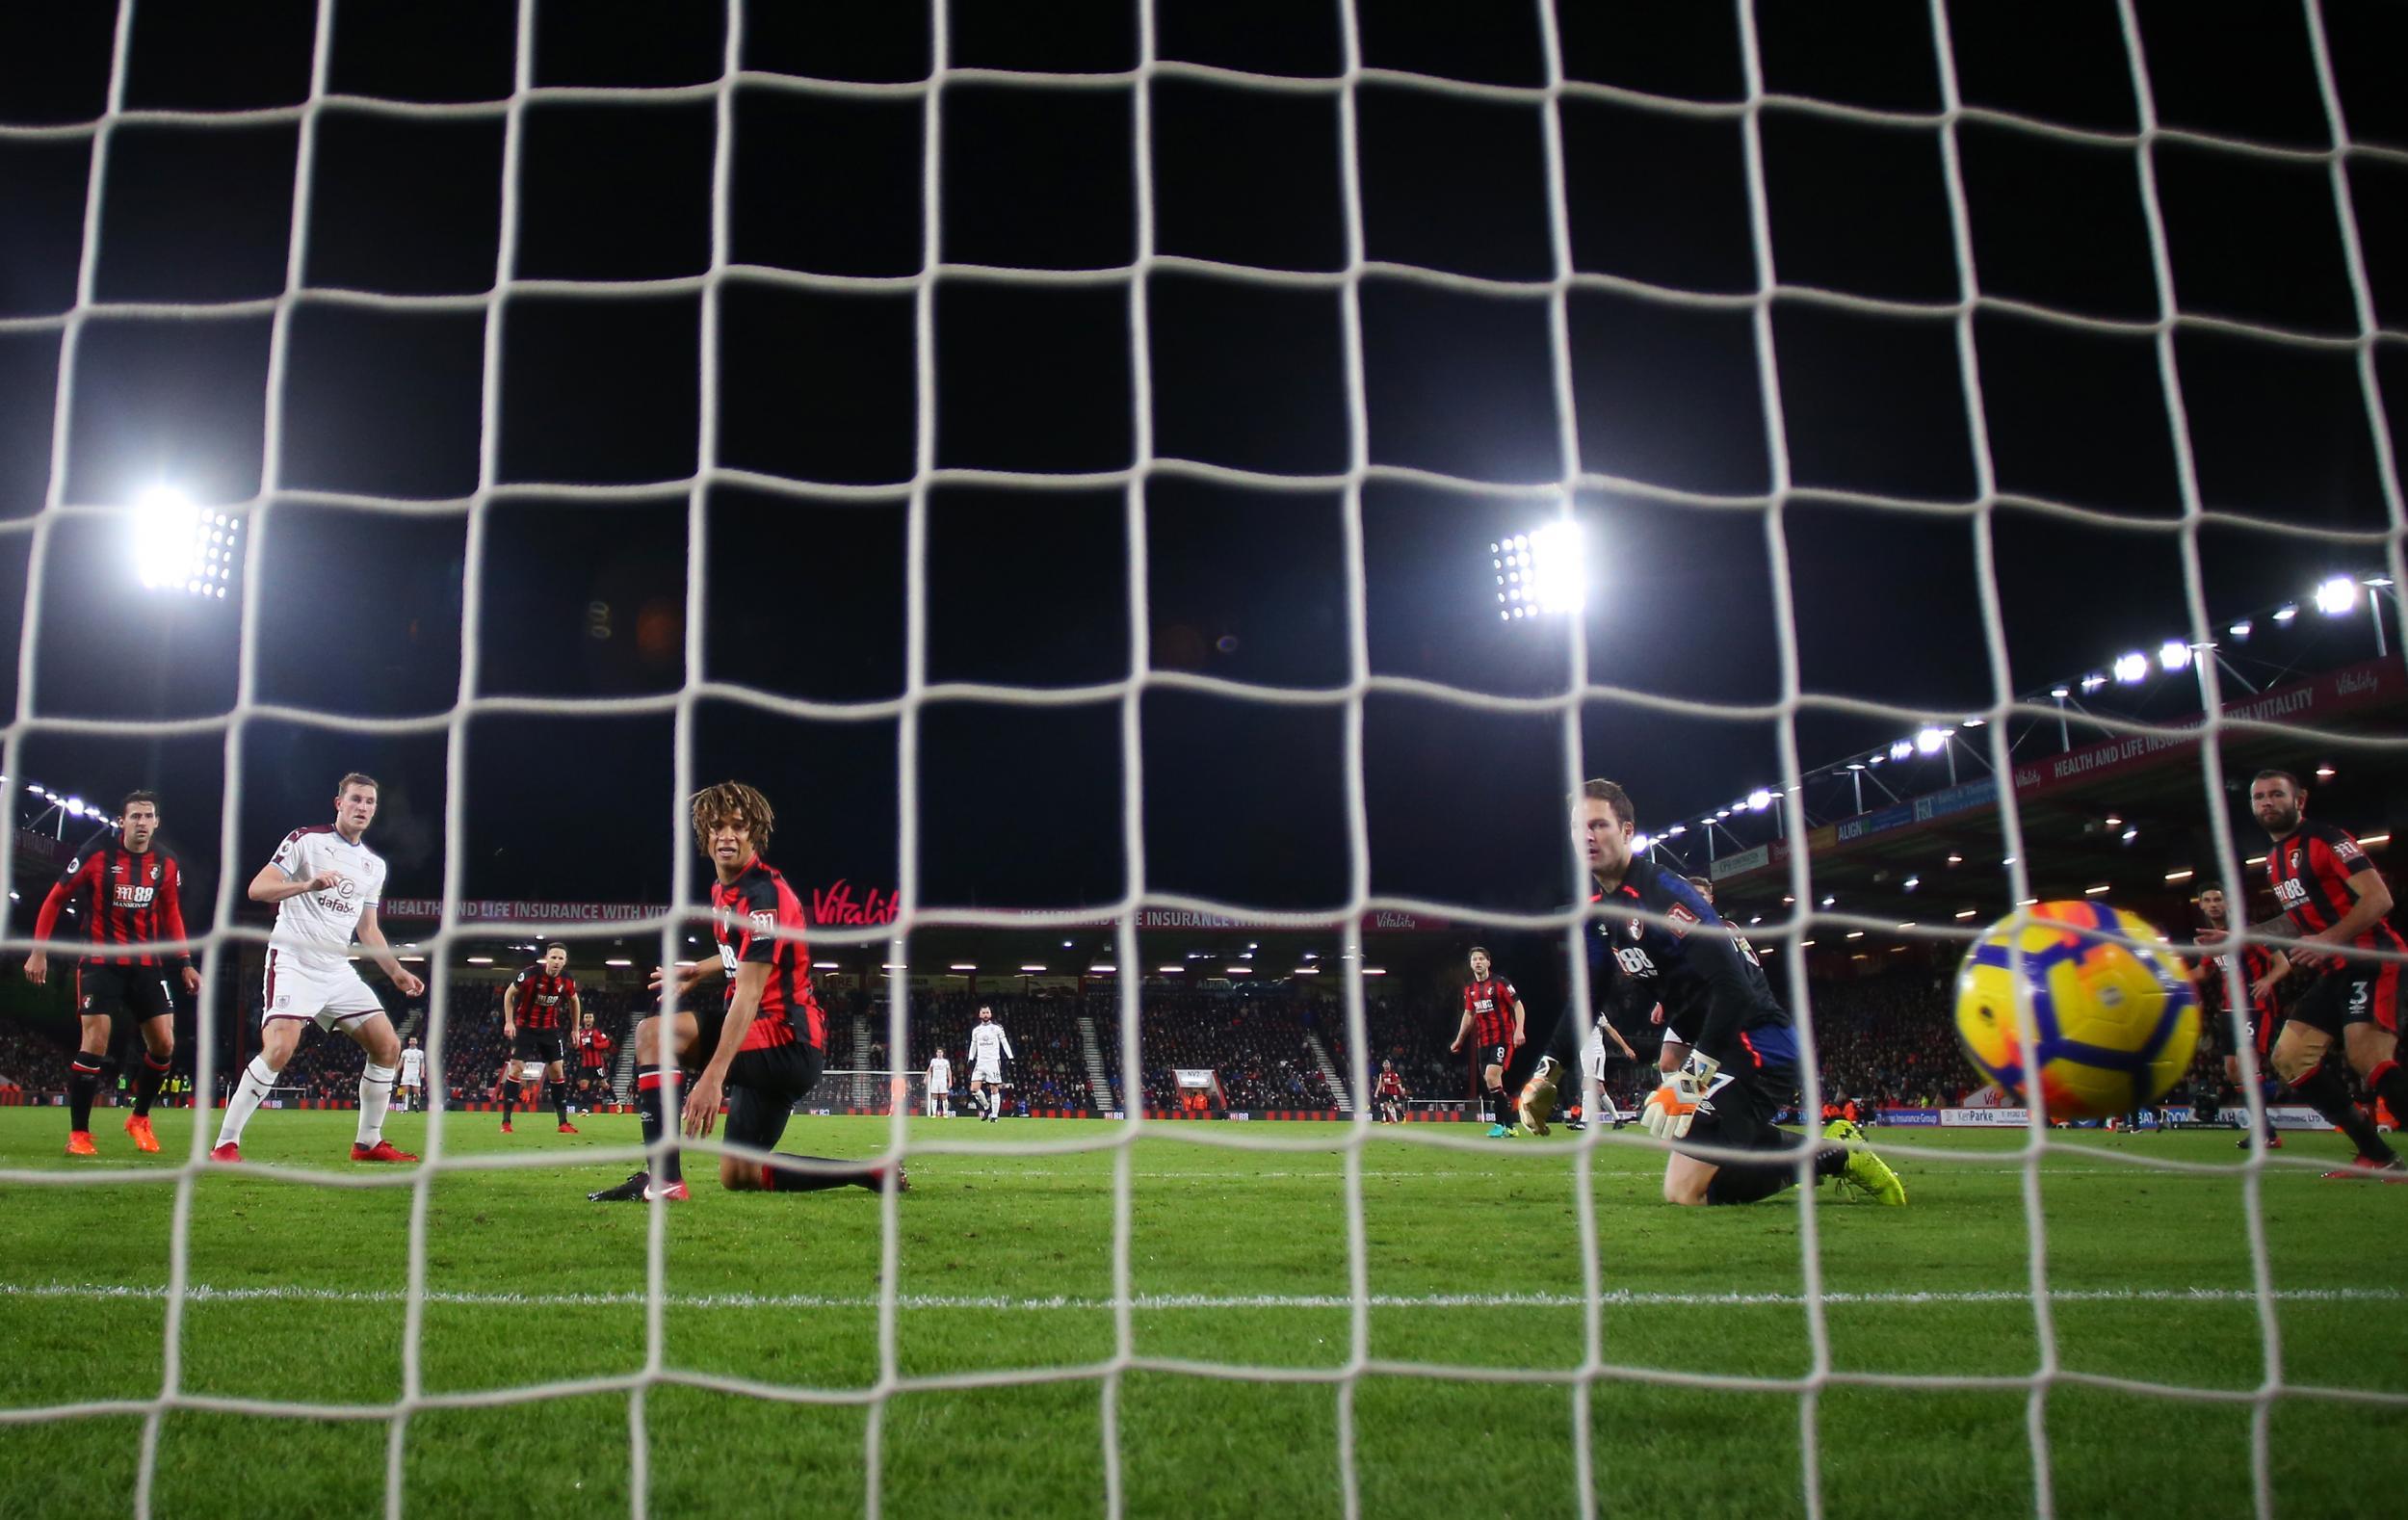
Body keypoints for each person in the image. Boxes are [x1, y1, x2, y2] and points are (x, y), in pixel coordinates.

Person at [1521, 779, 1904, 1207]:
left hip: (1759, 1048)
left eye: (1599, 825)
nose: (1588, 836)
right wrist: (1546, 1074)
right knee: (1687, 1186)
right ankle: (1831, 1149)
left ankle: (1836, 1156)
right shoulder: (1598, 914)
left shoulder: (1665, 896)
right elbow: (1587, 1000)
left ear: (1628, 831)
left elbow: (1734, 989)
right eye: (1579, 827)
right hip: (1720, 1050)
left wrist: (1693, 1076)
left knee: (1685, 1190)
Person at [590, 782, 899, 1202]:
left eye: (738, 826)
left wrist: (712, 1077)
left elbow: (750, 993)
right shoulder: (725, 890)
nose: (727, 836)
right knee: (740, 1174)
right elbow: (747, 953)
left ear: (756, 833)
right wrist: (700, 969)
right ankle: (870, 1172)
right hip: (773, 1046)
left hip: (784, 1038)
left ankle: (663, 1179)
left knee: (653, 1034)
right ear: (704, 832)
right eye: (717, 826)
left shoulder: (764, 897)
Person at [211, 773, 424, 1164]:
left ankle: (368, 1143)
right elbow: (258, 888)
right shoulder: (306, 840)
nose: (363, 807)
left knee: (388, 1046)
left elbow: (368, 929)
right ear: (338, 803)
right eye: (356, 799)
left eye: (370, 802)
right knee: (279, 1048)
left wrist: (396, 972)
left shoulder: (373, 866)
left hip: (337, 970)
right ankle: (225, 1144)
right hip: (294, 960)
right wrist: (307, 885)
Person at [2240, 770, 2408, 1179]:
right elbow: (2297, 920)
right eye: (2259, 797)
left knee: (2367, 1055)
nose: (2267, 802)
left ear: (2299, 800)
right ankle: (2376, 1156)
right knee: (2289, 1059)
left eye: (2276, 794)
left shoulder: (2326, 839)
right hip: (2333, 969)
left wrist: (2327, 939)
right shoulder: (2274, 861)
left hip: (2373, 958)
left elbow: (2378, 898)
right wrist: (2239, 935)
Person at [23, 791, 200, 1156]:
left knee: (165, 1045)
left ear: (156, 822)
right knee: (95, 1042)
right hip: (100, 962)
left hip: (146, 963)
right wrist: (38, 952)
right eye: (134, 816)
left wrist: (184, 962)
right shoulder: (96, 854)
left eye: (147, 816)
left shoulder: (166, 863)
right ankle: (80, 1135)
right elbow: (55, 898)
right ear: (122, 821)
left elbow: (171, 913)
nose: (141, 822)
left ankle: (139, 1118)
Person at [2195, 884, 2290, 1150]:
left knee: (2246, 1063)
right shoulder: (2209, 940)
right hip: (2229, 1009)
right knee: (2232, 1071)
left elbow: (2283, 963)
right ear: (2201, 905)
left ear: (2228, 904)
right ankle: (2267, 1132)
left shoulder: (2250, 932)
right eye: (2208, 900)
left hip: (2254, 1005)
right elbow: (2202, 974)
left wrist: (2268, 980)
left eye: (2219, 899)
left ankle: (2262, 1134)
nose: (2214, 904)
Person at [501, 942, 580, 1134]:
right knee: (517, 1068)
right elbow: (509, 993)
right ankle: (506, 1122)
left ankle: (563, 1123)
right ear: (546, 958)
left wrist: (575, 1029)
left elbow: (574, 1001)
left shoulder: (567, 981)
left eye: (560, 958)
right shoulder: (530, 975)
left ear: (565, 962)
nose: (556, 961)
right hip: (525, 1027)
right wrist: (509, 1021)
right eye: (553, 957)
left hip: (549, 1030)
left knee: (557, 1071)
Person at [1450, 947, 1526, 1138]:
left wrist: (1519, 1030)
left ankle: (1500, 1124)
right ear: (1470, 964)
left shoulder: (1500, 983)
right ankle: (1509, 1125)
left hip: (1502, 1038)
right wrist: (1459, 1039)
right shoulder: (1470, 990)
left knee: (1492, 1076)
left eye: (1481, 959)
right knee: (1492, 1083)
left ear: (1488, 962)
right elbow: (1469, 1015)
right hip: (1482, 1042)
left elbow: (1517, 1005)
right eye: (1474, 959)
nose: (1478, 962)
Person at [966, 1006, 1012, 1122]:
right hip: (980, 1061)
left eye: (987, 1012)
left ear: (990, 1014)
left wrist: (1010, 1056)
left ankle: (995, 1116)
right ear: (980, 1015)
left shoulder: (997, 1028)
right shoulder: (976, 1030)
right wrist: (971, 1058)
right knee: (974, 1089)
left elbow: (1004, 1042)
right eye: (983, 1013)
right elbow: (973, 1045)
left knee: (994, 1088)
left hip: (993, 1061)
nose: (985, 1014)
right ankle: (987, 1107)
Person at [573, 1010, 615, 1108]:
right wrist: (576, 1045)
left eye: (590, 1017)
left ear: (593, 1019)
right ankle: (585, 1109)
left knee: (603, 1084)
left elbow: (607, 1043)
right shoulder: (581, 1033)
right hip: (585, 1064)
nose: (588, 1019)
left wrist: (594, 1045)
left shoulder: (597, 1032)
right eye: (586, 1017)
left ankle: (616, 1101)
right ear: (583, 1020)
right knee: (583, 1085)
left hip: (597, 1064)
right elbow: (578, 1047)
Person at [397, 1035, 426, 1114]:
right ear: (409, 1042)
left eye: (414, 1040)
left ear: (416, 1042)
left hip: (415, 1074)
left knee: (417, 1092)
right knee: (405, 1091)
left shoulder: (420, 1052)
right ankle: (405, 1108)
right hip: (406, 1074)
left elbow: (422, 1063)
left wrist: (422, 1072)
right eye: (411, 1040)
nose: (412, 1042)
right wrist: (396, 1070)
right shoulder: (405, 1052)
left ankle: (415, 1103)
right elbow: (401, 1062)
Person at [927, 1046, 953, 1117]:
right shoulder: (933, 1060)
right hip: (935, 1080)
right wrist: (926, 1077)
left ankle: (945, 1113)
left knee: (944, 1096)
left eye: (940, 1052)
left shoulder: (945, 1061)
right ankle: (934, 1113)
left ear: (943, 1053)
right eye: (938, 1052)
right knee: (934, 1096)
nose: (939, 1053)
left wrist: (950, 1081)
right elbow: (930, 1069)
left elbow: (949, 1071)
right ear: (936, 1053)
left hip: (943, 1080)